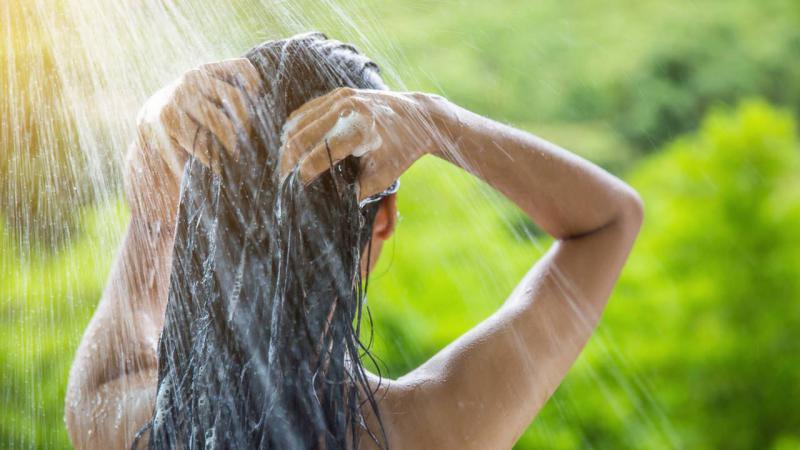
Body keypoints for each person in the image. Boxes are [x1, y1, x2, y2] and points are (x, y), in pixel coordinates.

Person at [65, 32, 643, 450]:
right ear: (383, 220)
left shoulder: (118, 414)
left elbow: (152, 219)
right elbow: (611, 219)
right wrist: (434, 122)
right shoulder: (430, 428)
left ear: (206, 219)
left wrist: (157, 119)